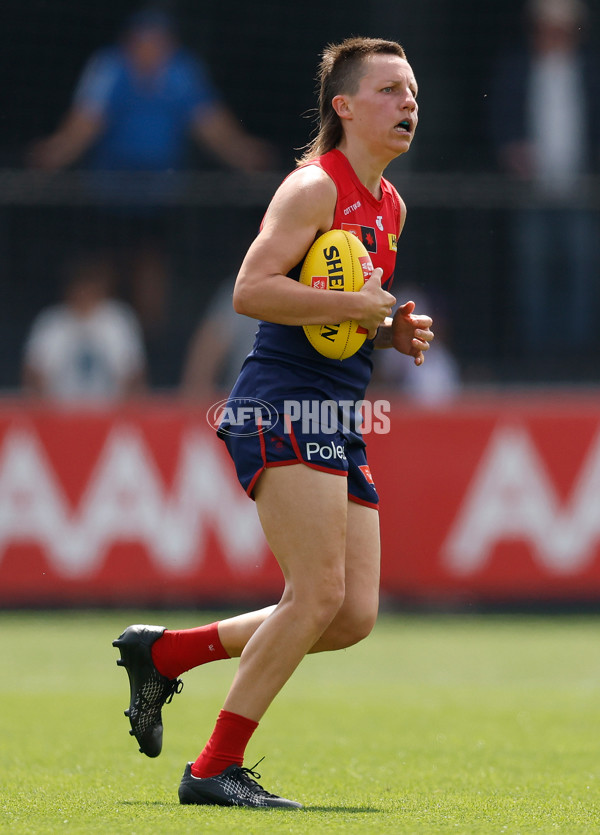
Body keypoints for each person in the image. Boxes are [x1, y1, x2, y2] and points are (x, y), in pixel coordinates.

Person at [113, 36, 433, 808]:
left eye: (414, 91)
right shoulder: (312, 188)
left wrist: (386, 331)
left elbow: (335, 322)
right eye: (390, 90)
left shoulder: (390, 205)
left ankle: (168, 653)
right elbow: (251, 290)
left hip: (336, 409)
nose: (409, 103)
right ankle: (213, 767)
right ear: (344, 107)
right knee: (316, 592)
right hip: (280, 401)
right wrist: (357, 308)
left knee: (351, 613)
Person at [28, 8, 277, 333]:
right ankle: (102, 337)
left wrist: (245, 154)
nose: (150, 49)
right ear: (130, 42)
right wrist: (54, 154)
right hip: (107, 194)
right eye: (143, 41)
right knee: (101, 268)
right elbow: (85, 123)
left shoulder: (181, 71)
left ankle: (150, 345)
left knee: (150, 268)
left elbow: (210, 124)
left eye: (158, 42)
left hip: (157, 196)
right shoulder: (110, 67)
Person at [489, 0, 600, 357]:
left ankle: (576, 355)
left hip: (581, 189)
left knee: (582, 269)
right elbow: (500, 118)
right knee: (532, 272)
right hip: (531, 189)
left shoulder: (589, 70)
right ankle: (537, 355)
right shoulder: (517, 68)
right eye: (546, 28)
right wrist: (513, 150)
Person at [22, 251, 146, 401]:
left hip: (110, 413)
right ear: (70, 289)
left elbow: (134, 376)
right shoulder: (51, 323)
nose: (85, 293)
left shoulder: (118, 321)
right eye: (81, 286)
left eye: (90, 286)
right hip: (59, 415)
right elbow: (33, 375)